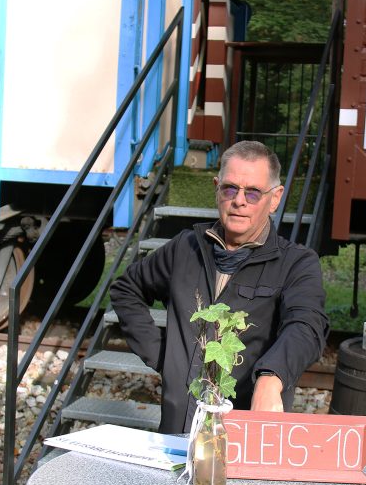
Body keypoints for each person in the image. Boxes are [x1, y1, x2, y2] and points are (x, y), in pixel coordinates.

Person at [110, 140, 329, 433]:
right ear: (216, 187)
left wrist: (271, 377)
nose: (239, 201)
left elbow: (307, 326)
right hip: (179, 430)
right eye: (230, 188)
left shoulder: (296, 263)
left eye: (253, 193)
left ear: (274, 199)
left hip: (248, 434)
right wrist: (164, 356)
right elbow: (126, 290)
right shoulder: (185, 249)